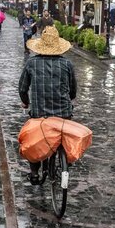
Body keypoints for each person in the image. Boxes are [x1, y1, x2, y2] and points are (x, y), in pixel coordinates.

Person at [19, 26, 77, 185]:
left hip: (40, 113)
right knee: (63, 134)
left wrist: (25, 102)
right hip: (63, 112)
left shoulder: (32, 63)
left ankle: (34, 173)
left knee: (33, 142)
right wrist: (69, 98)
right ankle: (66, 159)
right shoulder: (66, 64)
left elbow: (23, 88)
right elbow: (73, 90)